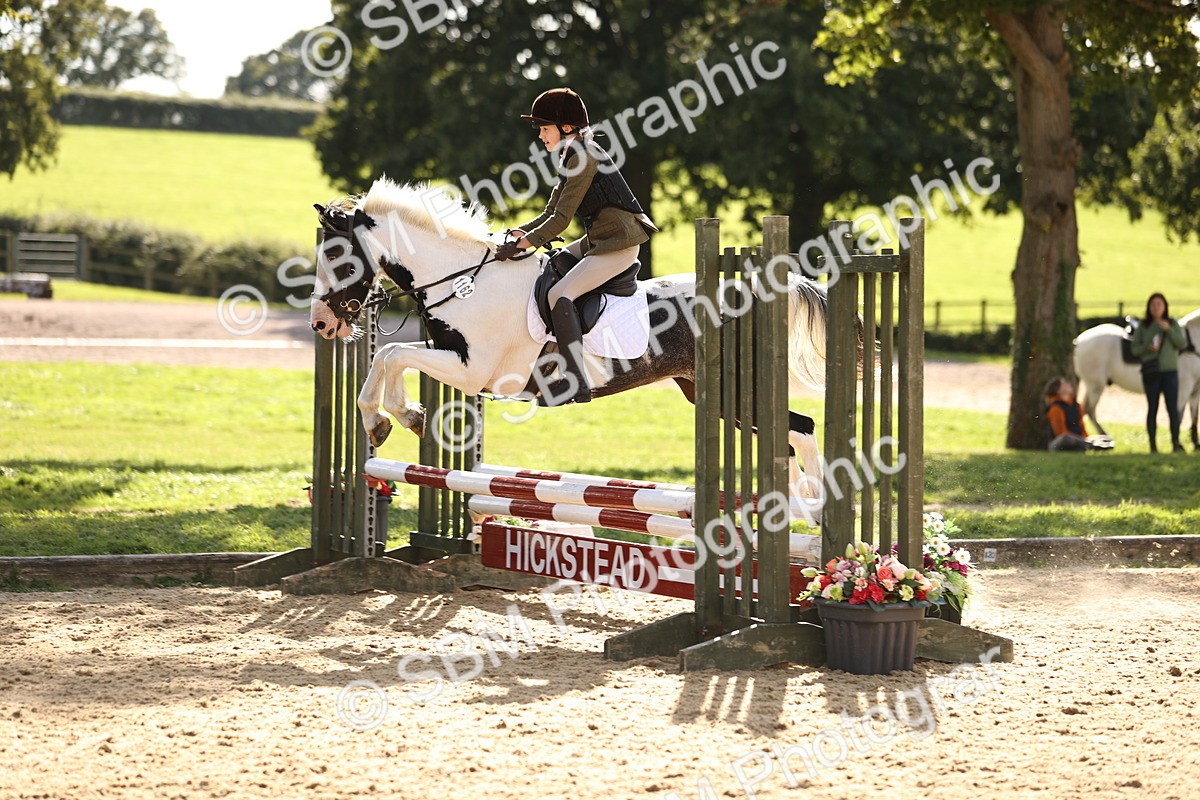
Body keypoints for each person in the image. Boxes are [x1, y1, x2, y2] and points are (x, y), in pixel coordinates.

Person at [498, 87, 658, 404]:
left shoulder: (583, 157)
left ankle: (575, 382)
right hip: (600, 238)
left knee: (560, 294)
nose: (541, 135)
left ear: (566, 127)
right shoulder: (572, 153)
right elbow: (549, 212)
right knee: (553, 265)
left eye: (545, 128)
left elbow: (560, 221)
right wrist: (519, 233)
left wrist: (524, 244)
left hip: (619, 244)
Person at [1131, 292, 1187, 453]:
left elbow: (1181, 343)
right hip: (1151, 371)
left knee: (1172, 408)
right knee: (1152, 408)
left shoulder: (1172, 323)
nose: (1156, 308)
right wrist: (1148, 348)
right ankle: (1153, 445)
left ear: (1165, 307)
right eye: (1153, 305)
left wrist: (1168, 329)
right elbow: (1135, 349)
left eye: (1159, 304)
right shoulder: (1144, 326)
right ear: (1149, 307)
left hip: (1170, 371)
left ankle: (1175, 443)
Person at [1043, 377, 1114, 452]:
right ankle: (1091, 445)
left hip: (1079, 440)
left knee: (1103, 438)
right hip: (1060, 443)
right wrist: (1083, 440)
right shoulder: (1055, 408)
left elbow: (1082, 427)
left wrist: (1087, 438)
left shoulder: (1077, 406)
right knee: (1067, 438)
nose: (1068, 384)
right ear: (1058, 390)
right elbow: (1060, 433)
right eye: (1064, 383)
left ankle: (1090, 445)